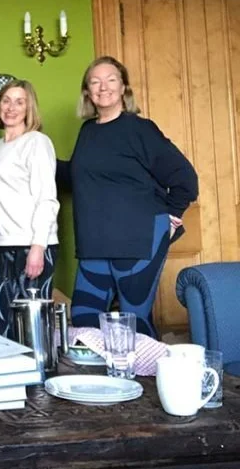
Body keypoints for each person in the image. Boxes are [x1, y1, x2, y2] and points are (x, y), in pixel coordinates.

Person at [67, 56, 198, 337]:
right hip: (94, 242)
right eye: (95, 81)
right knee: (84, 321)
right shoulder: (88, 131)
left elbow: (185, 178)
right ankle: (102, 383)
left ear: (124, 87)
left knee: (133, 321)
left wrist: (170, 218)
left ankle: (143, 381)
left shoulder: (139, 129)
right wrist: (30, 161)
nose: (103, 87)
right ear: (87, 92)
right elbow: (80, 178)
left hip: (138, 240)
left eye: (111, 79)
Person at [0, 79, 59, 337]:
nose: (11, 107)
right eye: (6, 100)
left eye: (19, 102)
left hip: (31, 244)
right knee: (2, 325)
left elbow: (47, 197)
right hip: (3, 245)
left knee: (31, 330)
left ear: (29, 108)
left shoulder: (36, 142)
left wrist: (38, 247)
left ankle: (38, 378)